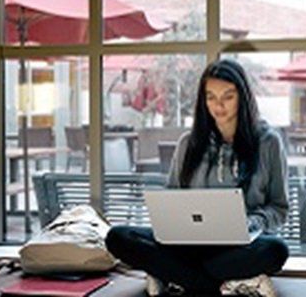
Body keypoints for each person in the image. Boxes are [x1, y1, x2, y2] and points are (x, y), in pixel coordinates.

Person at [107, 58, 289, 297]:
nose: (218, 105)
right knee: (119, 237)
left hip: (241, 246)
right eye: (211, 97)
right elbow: (172, 200)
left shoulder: (268, 143)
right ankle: (228, 282)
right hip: (188, 245)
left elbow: (279, 208)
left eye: (228, 97)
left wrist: (254, 222)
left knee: (276, 250)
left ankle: (173, 275)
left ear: (243, 98)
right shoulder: (188, 144)